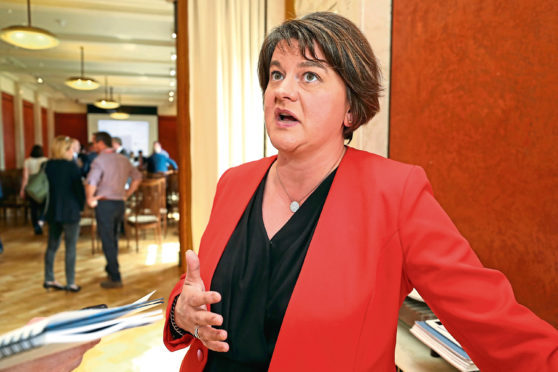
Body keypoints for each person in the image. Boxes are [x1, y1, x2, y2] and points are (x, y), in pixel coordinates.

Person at [163, 12, 558, 372]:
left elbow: (493, 321)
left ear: (351, 110)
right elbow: (205, 282)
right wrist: (181, 311)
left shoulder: (395, 193)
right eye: (276, 74)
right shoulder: (234, 181)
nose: (282, 91)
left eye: (309, 76)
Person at [86, 131, 142, 289]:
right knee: (114, 238)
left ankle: (115, 276)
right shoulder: (124, 159)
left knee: (107, 240)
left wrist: (90, 198)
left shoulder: (99, 160)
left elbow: (91, 182)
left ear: (101, 143)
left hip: (105, 204)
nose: (93, 146)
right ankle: (111, 269)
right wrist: (127, 194)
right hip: (119, 204)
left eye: (94, 143)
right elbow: (137, 177)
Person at [43, 136, 85, 292]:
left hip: (53, 212)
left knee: (51, 247)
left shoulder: (47, 166)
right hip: (71, 211)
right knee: (70, 248)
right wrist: (82, 206)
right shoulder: (72, 167)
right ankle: (70, 283)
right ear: (64, 150)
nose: (72, 151)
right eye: (69, 149)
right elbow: (78, 191)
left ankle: (49, 279)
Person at [19, 144, 48, 235]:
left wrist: (22, 189)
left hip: (32, 186)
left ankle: (36, 226)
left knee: (33, 208)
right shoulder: (45, 160)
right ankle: (41, 220)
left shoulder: (27, 161)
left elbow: (25, 177)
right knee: (44, 205)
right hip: (43, 187)